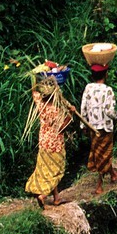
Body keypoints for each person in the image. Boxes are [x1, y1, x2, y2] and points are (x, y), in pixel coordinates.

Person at [25, 74, 73, 207]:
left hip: (44, 142)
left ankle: (56, 198)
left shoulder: (40, 103)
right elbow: (61, 129)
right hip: (55, 144)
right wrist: (71, 114)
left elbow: (34, 91)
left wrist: (36, 75)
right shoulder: (55, 111)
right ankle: (43, 195)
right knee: (57, 171)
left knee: (46, 169)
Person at [80, 63, 117, 194]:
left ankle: (113, 174)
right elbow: (109, 112)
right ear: (106, 74)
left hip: (92, 127)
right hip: (105, 128)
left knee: (99, 151)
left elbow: (83, 107)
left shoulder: (88, 87)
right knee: (103, 154)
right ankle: (99, 185)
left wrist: (83, 124)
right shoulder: (108, 90)